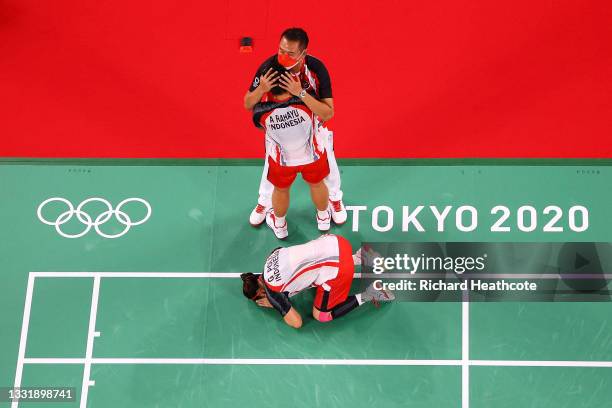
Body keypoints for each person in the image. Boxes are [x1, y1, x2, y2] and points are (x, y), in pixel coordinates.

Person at [244, 27, 347, 234]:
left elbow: (328, 113)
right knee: (271, 166)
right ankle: (264, 202)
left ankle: (335, 199)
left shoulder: (316, 69)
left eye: (290, 53)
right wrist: (261, 90)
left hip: (313, 128)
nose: (283, 56)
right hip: (278, 131)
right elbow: (248, 103)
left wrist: (299, 93)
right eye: (281, 50)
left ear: (303, 53)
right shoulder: (269, 67)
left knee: (328, 165)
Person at [240, 234, 394, 328]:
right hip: (336, 241)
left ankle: (371, 293)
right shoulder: (271, 256)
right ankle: (360, 257)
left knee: (321, 315)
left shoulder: (274, 292)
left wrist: (275, 303)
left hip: (340, 269)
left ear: (261, 292)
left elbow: (297, 322)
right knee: (313, 266)